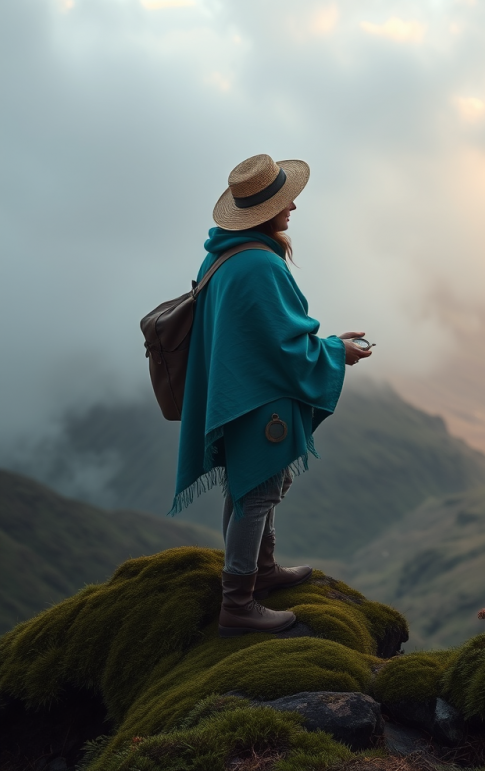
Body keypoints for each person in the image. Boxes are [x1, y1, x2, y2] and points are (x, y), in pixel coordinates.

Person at [173, 153, 372, 637]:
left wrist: (324, 345)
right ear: (262, 211)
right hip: (258, 398)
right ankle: (238, 602)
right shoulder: (258, 264)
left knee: (252, 488)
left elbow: (262, 333)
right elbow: (283, 348)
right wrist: (334, 352)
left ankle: (261, 570)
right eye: (285, 202)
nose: (293, 209)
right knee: (257, 493)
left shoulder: (222, 253)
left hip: (237, 391)